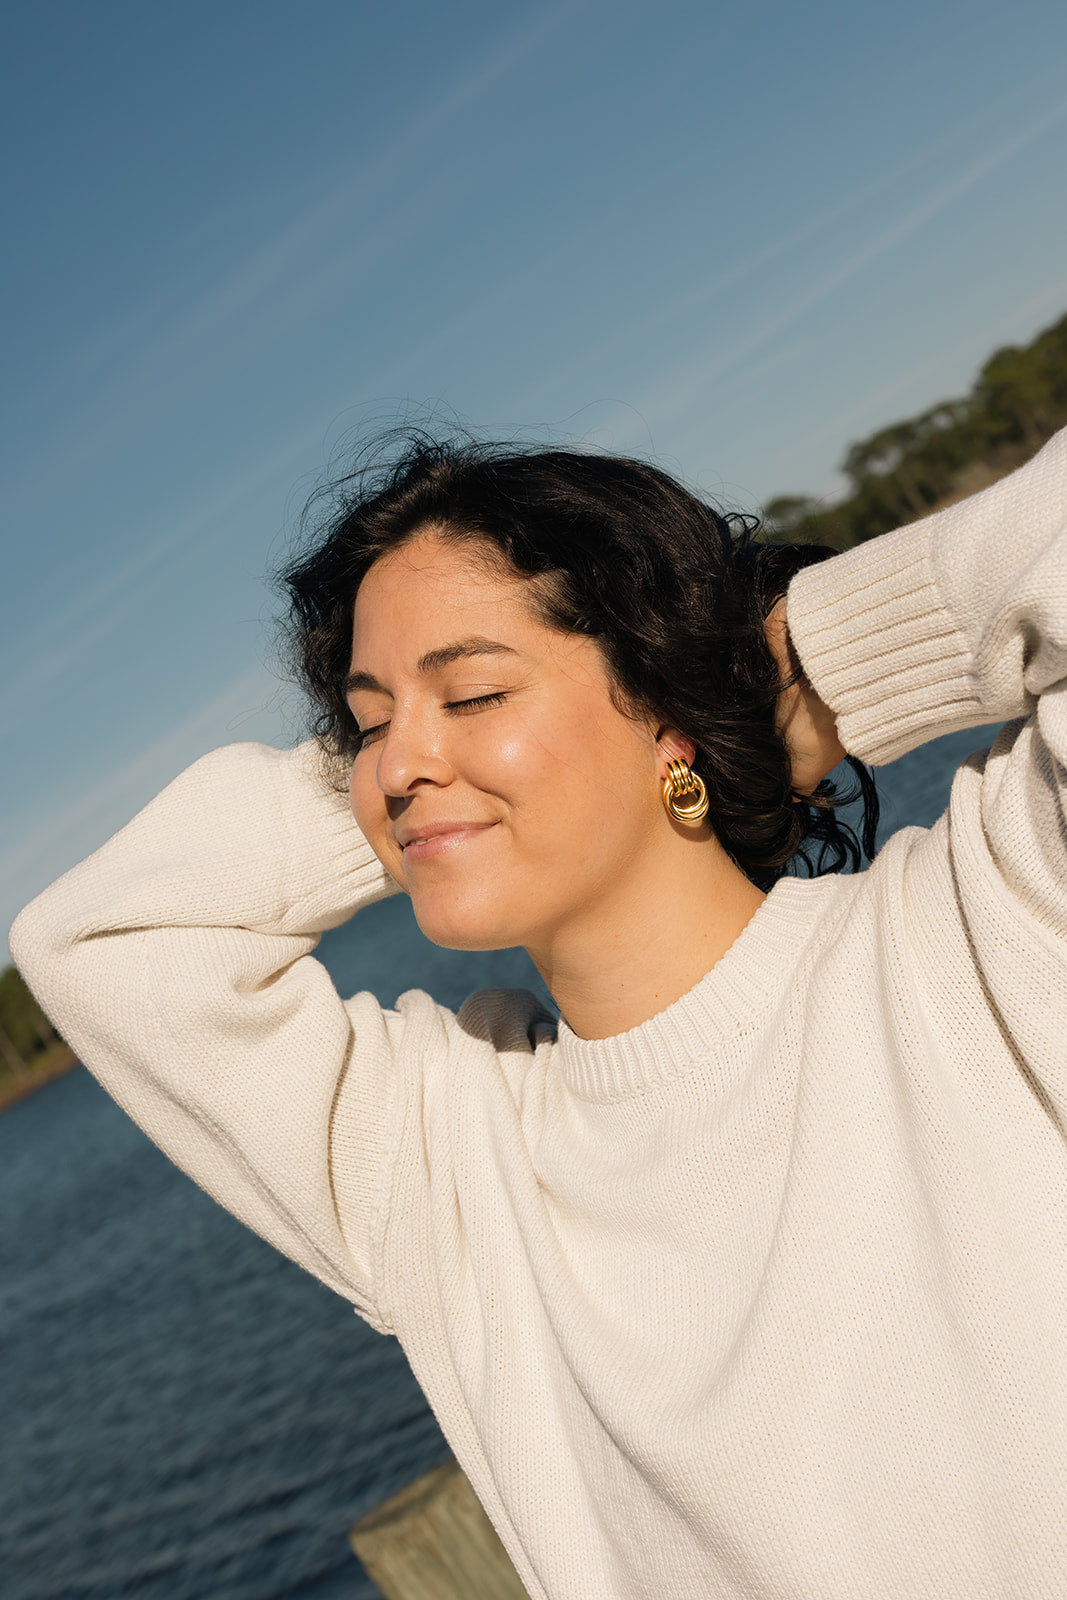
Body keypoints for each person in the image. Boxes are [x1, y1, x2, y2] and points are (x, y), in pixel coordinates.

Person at [11, 427, 1067, 1600]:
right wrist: (427, 776)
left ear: (666, 703)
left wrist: (785, 665)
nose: (395, 763)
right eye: (362, 724)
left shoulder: (990, 925)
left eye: (472, 689)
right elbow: (103, 941)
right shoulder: (446, 1167)